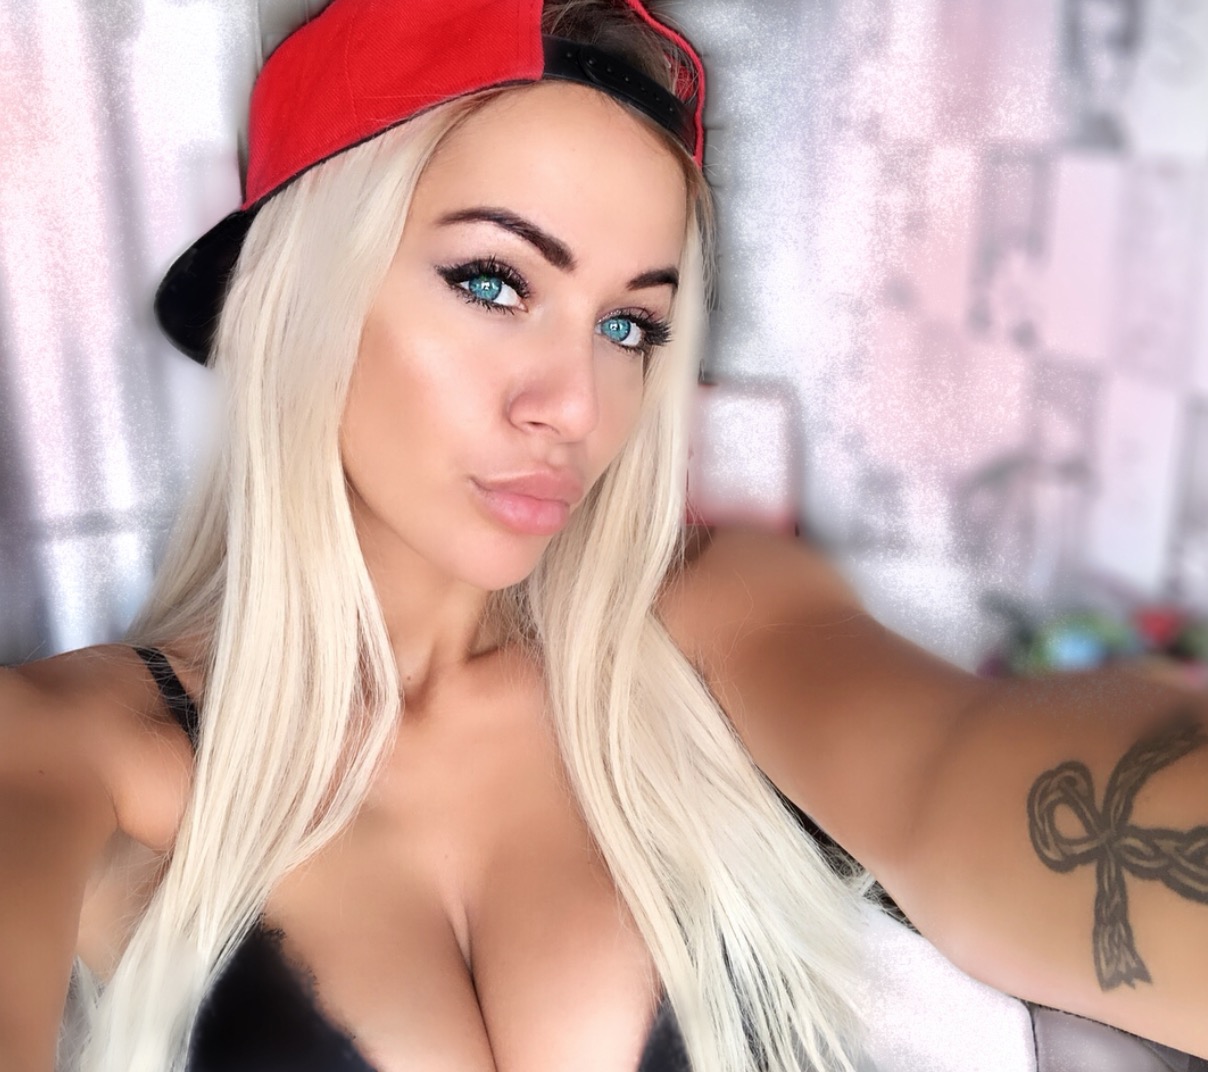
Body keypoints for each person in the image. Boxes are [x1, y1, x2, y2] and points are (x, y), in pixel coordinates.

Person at [1, 1, 1206, 1070]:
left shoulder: (702, 622)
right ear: (302, 291)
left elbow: (963, 773)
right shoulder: (76, 749)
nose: (575, 407)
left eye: (629, 326)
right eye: (493, 282)